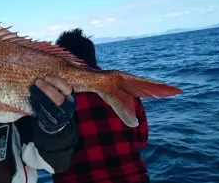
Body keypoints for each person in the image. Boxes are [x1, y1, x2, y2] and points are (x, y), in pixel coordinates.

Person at [49, 28, 150, 183]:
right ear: (93, 57)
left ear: (61, 61)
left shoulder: (51, 98)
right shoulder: (124, 89)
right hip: (133, 178)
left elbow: (45, 154)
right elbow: (142, 140)